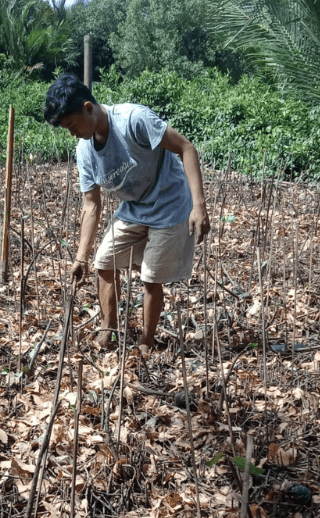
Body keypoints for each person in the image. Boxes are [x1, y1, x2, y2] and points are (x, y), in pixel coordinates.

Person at [44, 73, 210, 349]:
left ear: (88, 108)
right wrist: (80, 258)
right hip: (133, 209)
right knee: (104, 261)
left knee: (151, 277)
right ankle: (108, 329)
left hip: (170, 205)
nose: (72, 133)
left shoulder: (134, 120)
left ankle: (146, 341)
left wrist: (199, 206)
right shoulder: (84, 151)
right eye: (67, 129)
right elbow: (91, 204)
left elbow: (186, 148)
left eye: (73, 125)